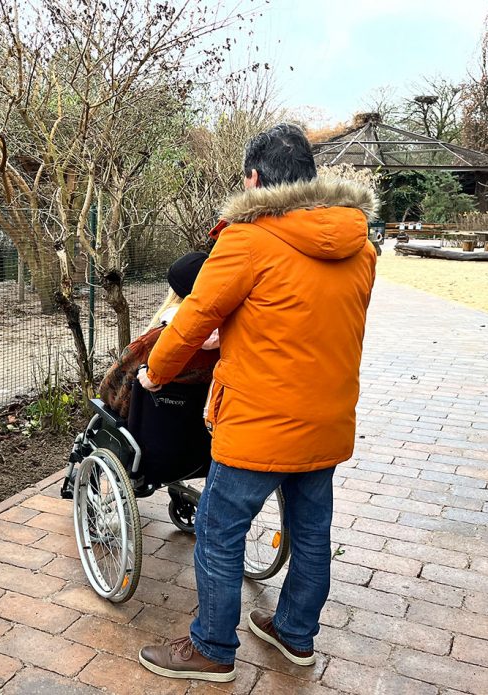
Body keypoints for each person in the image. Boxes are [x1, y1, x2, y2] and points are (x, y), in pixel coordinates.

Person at [136, 123, 377, 683]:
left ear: (253, 179)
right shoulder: (360, 246)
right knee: (313, 536)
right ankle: (295, 634)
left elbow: (192, 320)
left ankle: (212, 649)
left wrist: (154, 372)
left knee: (220, 532)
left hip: (259, 424)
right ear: (312, 178)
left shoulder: (247, 239)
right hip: (327, 422)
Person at [97, 251, 219, 419]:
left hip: (151, 438)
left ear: (174, 292)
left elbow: (110, 394)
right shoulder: (233, 342)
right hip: (209, 439)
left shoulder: (152, 343)